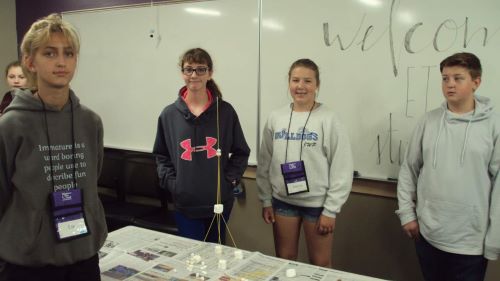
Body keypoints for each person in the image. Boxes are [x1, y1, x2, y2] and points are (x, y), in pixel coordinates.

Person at [0, 14, 107, 281]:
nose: (61, 62)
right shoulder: (11, 125)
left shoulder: (90, 122)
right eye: (50, 53)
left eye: (68, 53)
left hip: (83, 258)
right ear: (29, 61)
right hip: (28, 265)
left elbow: (92, 180)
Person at [396, 52, 500, 281]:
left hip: (470, 243)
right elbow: (409, 169)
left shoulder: (493, 125)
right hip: (428, 235)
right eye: (445, 78)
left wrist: (494, 240)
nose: (449, 84)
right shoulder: (429, 121)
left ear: (476, 82)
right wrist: (407, 214)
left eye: (457, 78)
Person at [256, 58, 353, 267]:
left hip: (317, 206)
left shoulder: (329, 119)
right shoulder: (276, 117)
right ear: (289, 83)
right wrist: (265, 199)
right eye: (295, 80)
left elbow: (342, 167)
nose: (300, 86)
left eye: (307, 81)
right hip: (282, 202)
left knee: (319, 264)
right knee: (285, 261)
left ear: (317, 85)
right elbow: (264, 161)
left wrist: (331, 210)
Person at [153, 48, 250, 243]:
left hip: (219, 203)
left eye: (200, 69)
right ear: (182, 73)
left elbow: (241, 151)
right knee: (192, 261)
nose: (194, 75)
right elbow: (161, 156)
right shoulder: (169, 114)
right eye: (189, 69)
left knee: (215, 256)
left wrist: (228, 181)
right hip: (185, 203)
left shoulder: (225, 112)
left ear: (210, 73)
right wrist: (174, 184)